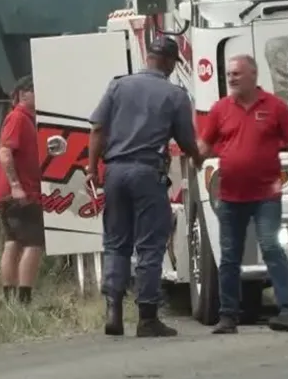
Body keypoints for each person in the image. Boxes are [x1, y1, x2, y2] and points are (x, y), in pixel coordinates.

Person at [86, 36, 204, 337]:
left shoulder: (118, 86)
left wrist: (92, 168)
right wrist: (198, 157)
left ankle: (113, 311)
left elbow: (98, 128)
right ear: (167, 62)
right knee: (150, 244)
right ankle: (147, 317)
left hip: (114, 172)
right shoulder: (175, 95)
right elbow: (185, 140)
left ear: (149, 57)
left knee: (115, 242)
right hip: (148, 173)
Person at [198, 54, 288, 334]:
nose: (231, 78)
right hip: (230, 196)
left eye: (236, 73)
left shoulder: (275, 107)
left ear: (253, 75)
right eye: (229, 74)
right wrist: (189, 153)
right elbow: (204, 146)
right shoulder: (220, 109)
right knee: (230, 255)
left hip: (265, 196)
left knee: (271, 247)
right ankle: (228, 316)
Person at [0, 76, 43, 305]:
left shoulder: (25, 119)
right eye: (36, 91)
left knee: (13, 243)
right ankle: (24, 298)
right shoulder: (18, 118)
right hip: (21, 193)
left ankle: (9, 296)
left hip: (11, 193)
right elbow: (5, 151)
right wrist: (16, 186)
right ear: (24, 93)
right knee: (34, 243)